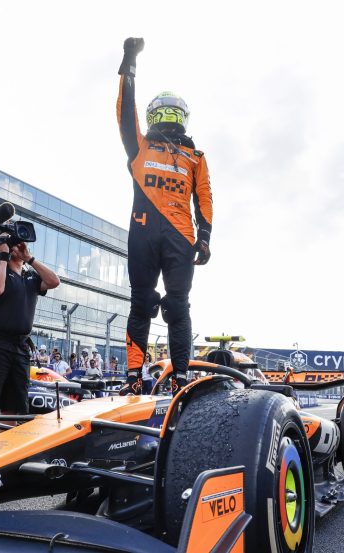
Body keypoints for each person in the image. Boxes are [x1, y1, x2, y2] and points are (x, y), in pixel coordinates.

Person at [117, 37, 212, 395]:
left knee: (176, 305)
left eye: (175, 112)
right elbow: (124, 110)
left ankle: (181, 376)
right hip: (143, 235)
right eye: (165, 111)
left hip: (180, 237)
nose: (170, 117)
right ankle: (133, 377)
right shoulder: (139, 146)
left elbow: (204, 197)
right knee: (141, 302)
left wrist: (205, 237)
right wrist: (129, 61)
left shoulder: (196, 157)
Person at [0, 235, 60, 415]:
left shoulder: (31, 277)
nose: (18, 247)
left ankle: (8, 441)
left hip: (20, 348)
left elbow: (54, 281)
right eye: (14, 244)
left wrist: (29, 258)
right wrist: (3, 255)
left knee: (15, 407)